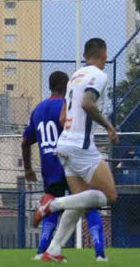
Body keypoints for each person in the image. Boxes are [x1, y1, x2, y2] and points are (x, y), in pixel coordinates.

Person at [33, 38, 119, 262]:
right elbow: (88, 104)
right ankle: (53, 204)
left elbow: (63, 117)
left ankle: (52, 249)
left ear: (85, 54)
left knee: (80, 201)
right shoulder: (99, 75)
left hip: (65, 143)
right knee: (109, 196)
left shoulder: (74, 76)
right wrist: (108, 126)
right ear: (103, 55)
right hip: (81, 145)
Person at [22, 71, 107, 261]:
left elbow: (25, 142)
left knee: (53, 205)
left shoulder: (38, 109)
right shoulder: (66, 105)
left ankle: (41, 251)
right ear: (65, 86)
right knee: (88, 203)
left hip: (48, 164)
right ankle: (100, 253)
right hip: (70, 159)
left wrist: (28, 168)